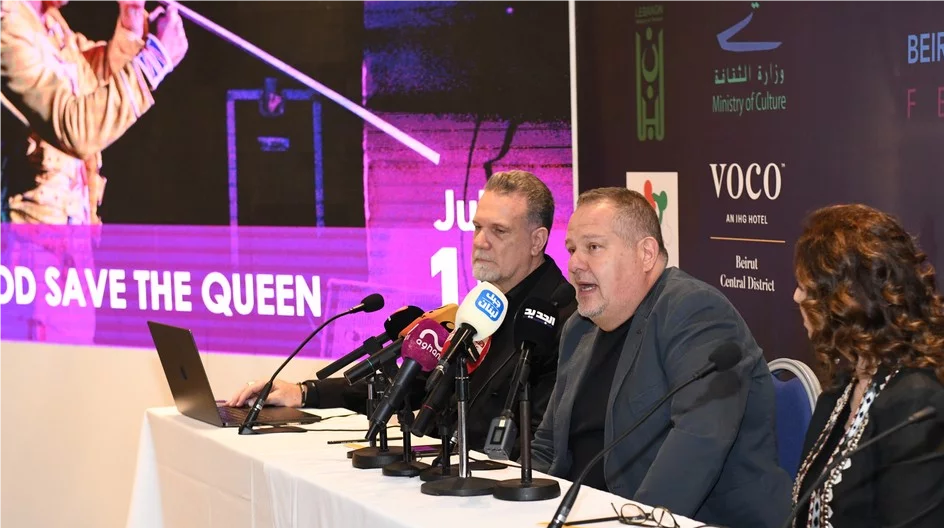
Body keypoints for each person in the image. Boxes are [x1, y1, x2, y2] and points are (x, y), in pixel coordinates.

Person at [229, 170, 575, 455]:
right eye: (477, 227)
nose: (480, 241)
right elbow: (415, 385)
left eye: (498, 231)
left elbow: (540, 444)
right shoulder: (481, 306)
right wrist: (306, 393)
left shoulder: (563, 320)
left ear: (537, 241)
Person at [531, 187, 790, 528]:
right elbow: (549, 444)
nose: (575, 264)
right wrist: (522, 511)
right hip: (583, 523)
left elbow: (699, 438)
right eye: (572, 249)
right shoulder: (580, 327)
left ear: (646, 254)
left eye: (593, 247)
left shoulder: (694, 310)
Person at [787, 204, 944, 528]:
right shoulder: (844, 387)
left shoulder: (917, 402)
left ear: (846, 299)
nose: (796, 296)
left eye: (806, 286)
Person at [0, 0, 188, 342]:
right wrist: (155, 59)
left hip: (68, 263)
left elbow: (92, 85)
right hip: (27, 263)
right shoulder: (7, 28)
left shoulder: (50, 24)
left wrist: (132, 22)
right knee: (40, 374)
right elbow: (75, 126)